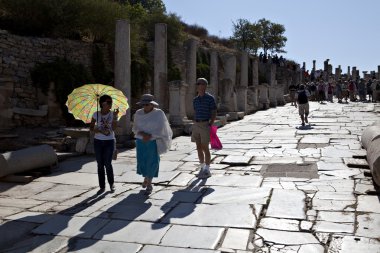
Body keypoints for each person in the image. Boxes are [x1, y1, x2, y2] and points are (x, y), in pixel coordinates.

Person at [132, 94, 173, 195]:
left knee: (152, 162)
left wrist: (150, 135)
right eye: (144, 104)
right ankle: (146, 177)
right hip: (141, 141)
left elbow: (162, 128)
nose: (145, 106)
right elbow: (135, 128)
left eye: (147, 104)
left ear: (152, 104)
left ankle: (149, 184)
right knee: (142, 161)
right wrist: (143, 134)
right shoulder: (138, 113)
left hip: (153, 141)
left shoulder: (159, 114)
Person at [90, 95, 119, 194]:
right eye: (108, 102)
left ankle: (111, 184)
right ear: (102, 104)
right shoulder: (96, 114)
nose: (111, 104)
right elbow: (91, 127)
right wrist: (96, 129)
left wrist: (115, 117)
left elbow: (114, 128)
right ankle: (102, 186)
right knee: (100, 164)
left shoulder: (113, 114)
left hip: (109, 141)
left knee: (108, 163)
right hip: (98, 141)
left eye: (111, 102)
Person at [192, 78, 217, 179]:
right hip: (196, 124)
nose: (199, 85)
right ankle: (202, 167)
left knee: (205, 147)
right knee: (198, 147)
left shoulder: (210, 98)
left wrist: (211, 123)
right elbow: (195, 111)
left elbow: (214, 111)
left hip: (205, 124)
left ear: (205, 86)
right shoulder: (195, 100)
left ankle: (207, 168)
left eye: (201, 84)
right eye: (198, 84)